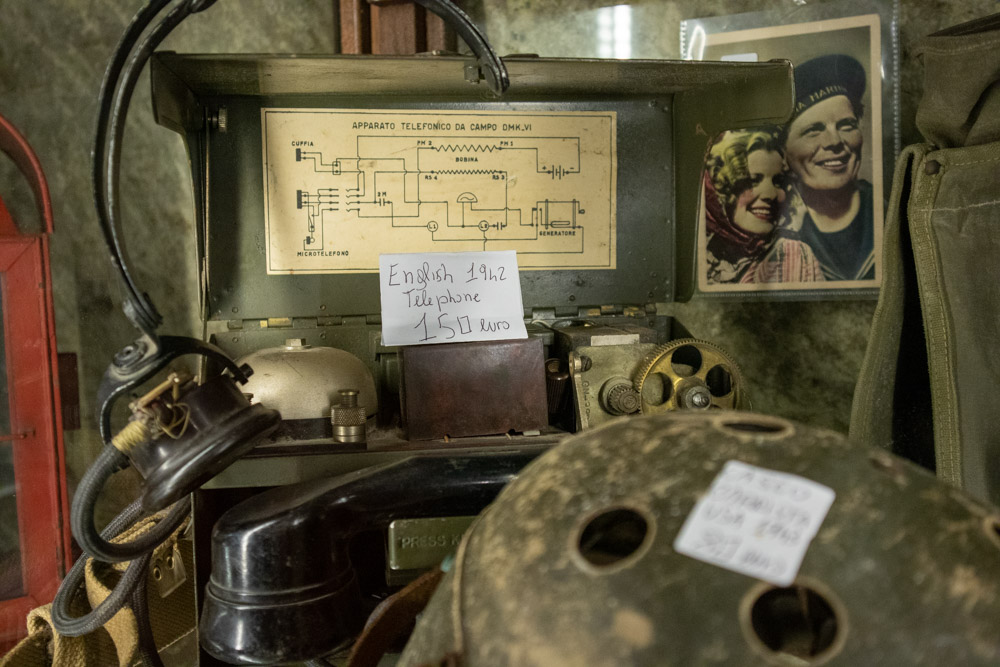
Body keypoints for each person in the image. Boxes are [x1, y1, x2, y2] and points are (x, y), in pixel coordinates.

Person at [780, 54, 875, 281]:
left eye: (847, 125)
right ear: (782, 152)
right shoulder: (772, 236)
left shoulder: (889, 211)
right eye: (813, 130)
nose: (834, 142)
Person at [704, 129, 824, 285]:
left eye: (778, 182)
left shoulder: (790, 255)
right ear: (719, 188)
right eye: (753, 180)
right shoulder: (700, 253)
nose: (771, 194)